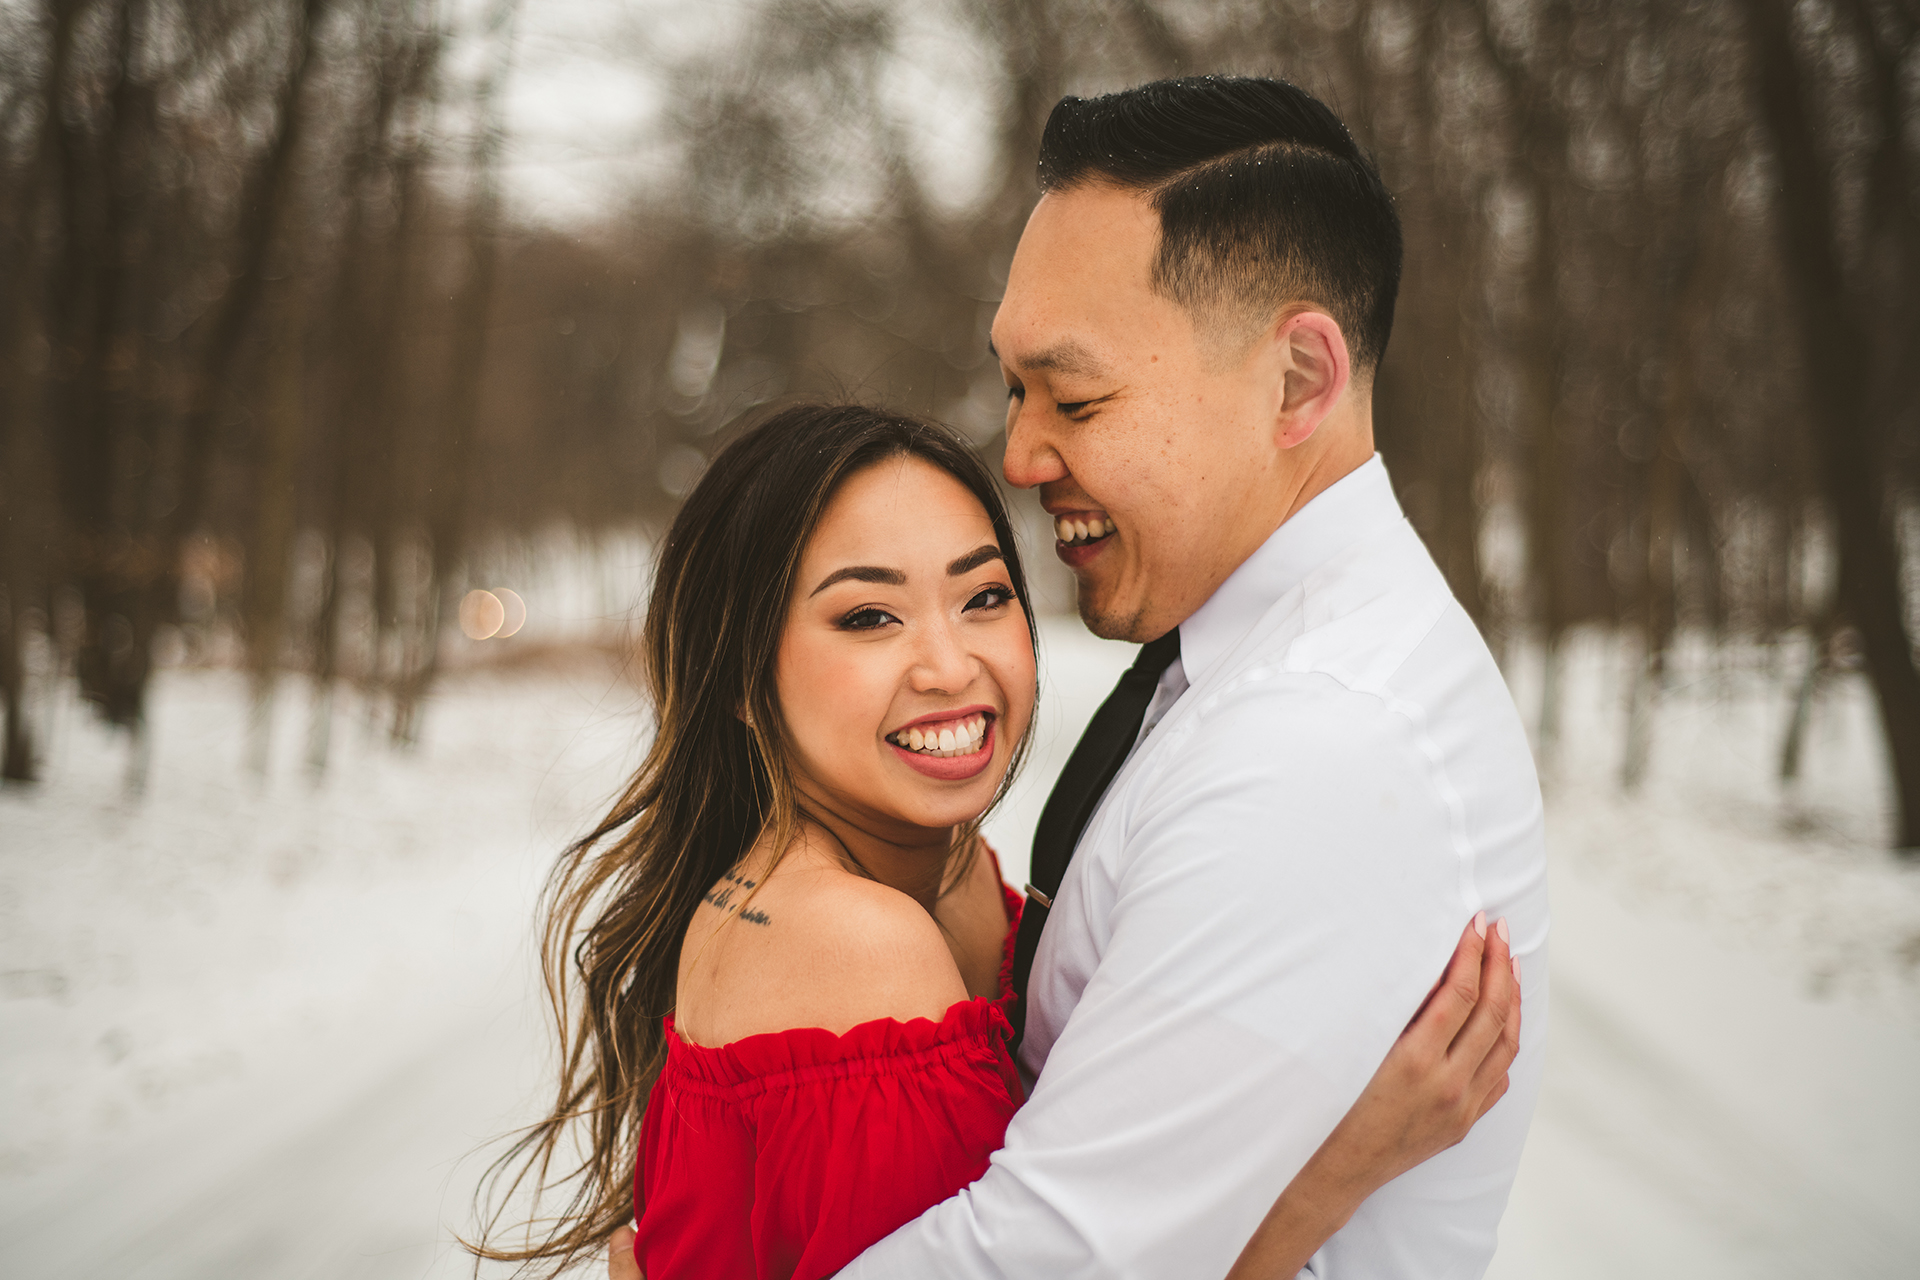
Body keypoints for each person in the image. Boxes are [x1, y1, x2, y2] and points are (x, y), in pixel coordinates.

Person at [627, 75, 1548, 1279]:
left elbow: (1047, 1255)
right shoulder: (1238, 664)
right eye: (1016, 391)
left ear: (1297, 382)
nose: (1016, 454)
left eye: (1075, 396)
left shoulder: (1317, 743)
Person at [473, 402, 1519, 1280]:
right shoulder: (851, 945)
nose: (949, 663)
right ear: (742, 679)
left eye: (982, 596)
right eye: (868, 618)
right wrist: (1339, 1168)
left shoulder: (947, 880)